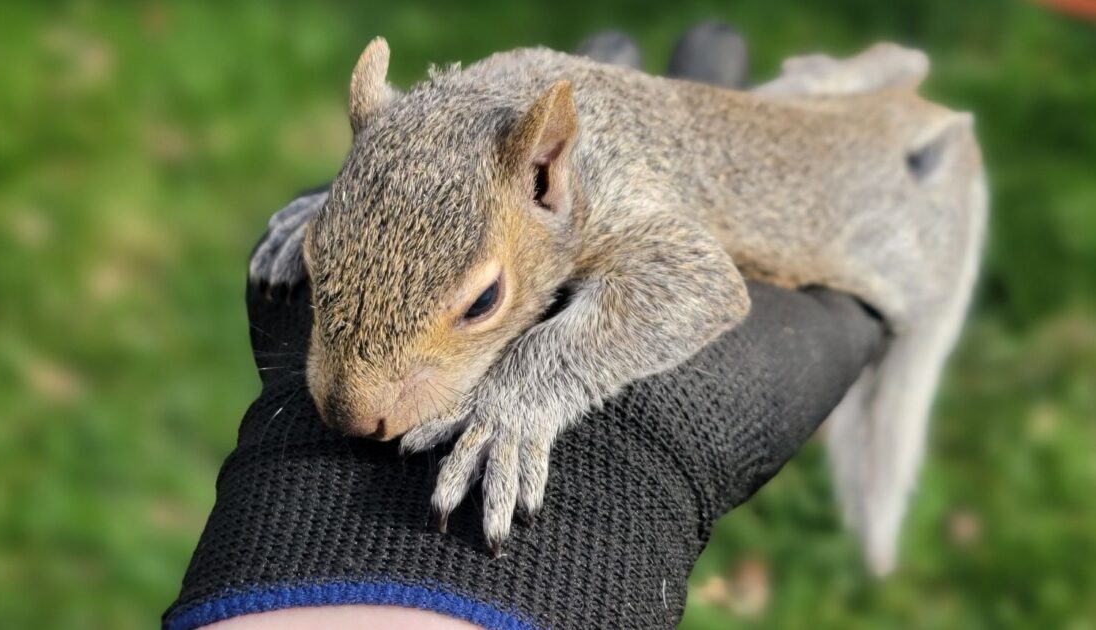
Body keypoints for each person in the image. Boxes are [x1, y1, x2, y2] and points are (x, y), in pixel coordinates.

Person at [162, 25, 886, 630]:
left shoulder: (594, 185)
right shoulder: (411, 133)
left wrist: (524, 395)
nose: (353, 406)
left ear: (545, 176)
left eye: (479, 302)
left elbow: (704, 285)